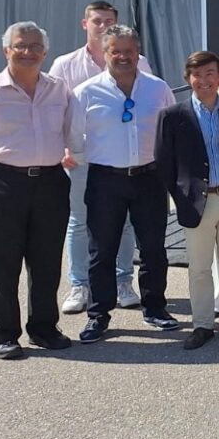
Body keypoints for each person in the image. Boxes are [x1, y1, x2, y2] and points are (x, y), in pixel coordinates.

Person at [0, 22, 77, 359]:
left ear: (45, 52)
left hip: (50, 182)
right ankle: (5, 333)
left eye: (35, 46)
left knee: (47, 261)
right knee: (3, 262)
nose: (28, 52)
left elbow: (71, 131)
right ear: (6, 50)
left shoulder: (59, 90)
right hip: (3, 183)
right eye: (20, 45)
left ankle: (44, 328)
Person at [70, 24, 179, 343]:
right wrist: (86, 158)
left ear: (138, 52)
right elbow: (73, 135)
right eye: (115, 51)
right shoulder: (86, 91)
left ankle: (155, 308)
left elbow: (172, 129)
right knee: (102, 251)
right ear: (105, 53)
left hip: (149, 178)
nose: (123, 56)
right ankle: (98, 315)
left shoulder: (157, 88)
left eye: (129, 51)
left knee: (153, 249)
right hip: (105, 180)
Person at [48, 0, 149, 316]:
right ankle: (80, 285)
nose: (103, 26)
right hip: (80, 158)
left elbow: (148, 104)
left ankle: (123, 282)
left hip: (122, 159)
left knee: (125, 223)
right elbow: (53, 111)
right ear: (85, 24)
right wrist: (63, 149)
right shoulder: (65, 65)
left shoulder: (139, 62)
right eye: (97, 21)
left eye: (109, 21)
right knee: (80, 221)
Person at [155, 51, 219, 349]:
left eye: (210, 73)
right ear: (188, 79)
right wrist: (181, 197)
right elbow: (164, 162)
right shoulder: (173, 116)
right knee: (199, 268)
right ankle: (202, 324)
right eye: (197, 75)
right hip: (196, 203)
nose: (204, 80)